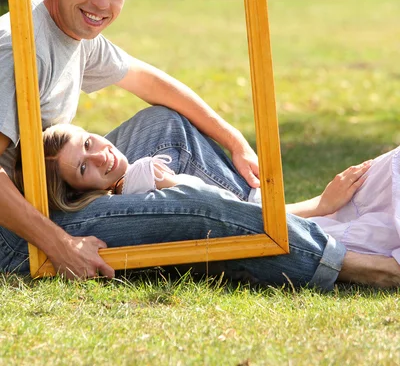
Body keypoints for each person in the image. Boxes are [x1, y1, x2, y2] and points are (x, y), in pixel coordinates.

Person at [1, 0, 399, 288]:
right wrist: (60, 245)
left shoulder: (71, 28)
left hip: (55, 185)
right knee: (193, 207)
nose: (103, 3)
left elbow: (149, 80)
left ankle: (277, 220)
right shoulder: (18, 46)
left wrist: (234, 141)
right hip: (15, 236)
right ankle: (352, 264)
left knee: (166, 125)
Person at [38, 124, 400, 266]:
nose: (100, 155)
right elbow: (234, 219)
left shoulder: (138, 172)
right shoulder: (142, 181)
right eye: (83, 168)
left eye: (88, 142)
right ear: (81, 192)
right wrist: (320, 205)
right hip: (305, 230)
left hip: (294, 220)